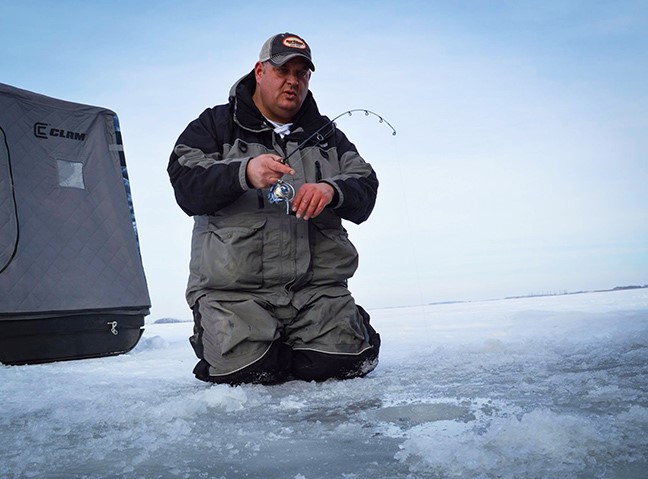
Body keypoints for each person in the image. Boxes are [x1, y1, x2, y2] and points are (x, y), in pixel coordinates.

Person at [167, 32, 380, 385]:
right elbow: (185, 184)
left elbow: (367, 186)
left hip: (315, 293)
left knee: (340, 367)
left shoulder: (328, 135)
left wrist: (331, 189)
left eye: (302, 74)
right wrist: (244, 172)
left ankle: (347, 327)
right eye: (283, 71)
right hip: (234, 295)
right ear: (260, 71)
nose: (292, 82)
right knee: (250, 374)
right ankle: (232, 340)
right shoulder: (213, 126)